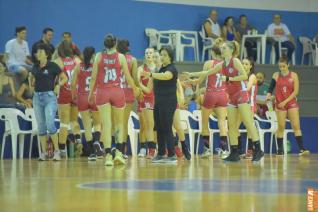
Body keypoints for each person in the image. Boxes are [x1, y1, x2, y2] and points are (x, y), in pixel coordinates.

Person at [197, 41, 264, 162]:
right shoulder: (222, 64)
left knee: (249, 123)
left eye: (224, 48)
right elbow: (207, 72)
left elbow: (244, 76)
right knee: (231, 126)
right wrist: (192, 75)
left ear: (230, 50)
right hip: (231, 97)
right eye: (221, 48)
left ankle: (258, 150)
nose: (221, 50)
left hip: (241, 94)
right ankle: (234, 152)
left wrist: (229, 78)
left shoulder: (236, 61)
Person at [88, 34, 139, 166]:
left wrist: (90, 93)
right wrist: (135, 88)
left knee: (106, 124)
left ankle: (109, 156)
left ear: (105, 45)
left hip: (102, 92)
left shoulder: (99, 56)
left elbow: (93, 78)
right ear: (115, 44)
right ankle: (119, 153)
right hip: (117, 91)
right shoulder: (121, 57)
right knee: (120, 124)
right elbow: (128, 77)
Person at [186, 38, 229, 159]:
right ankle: (224, 150)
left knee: (205, 123)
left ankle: (206, 149)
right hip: (222, 95)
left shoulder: (208, 63)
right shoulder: (226, 64)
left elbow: (200, 80)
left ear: (213, 53)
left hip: (210, 94)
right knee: (222, 122)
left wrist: (192, 80)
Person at [30, 43, 68, 161]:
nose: (38, 54)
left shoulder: (53, 66)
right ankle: (44, 153)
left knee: (50, 123)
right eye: (37, 52)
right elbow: (31, 78)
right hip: (37, 98)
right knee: (41, 126)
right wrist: (31, 84)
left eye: (40, 52)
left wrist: (58, 85)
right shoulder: (35, 67)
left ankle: (56, 151)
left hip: (49, 98)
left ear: (46, 54)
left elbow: (65, 78)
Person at [141, 46, 178, 164]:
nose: (162, 57)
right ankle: (161, 153)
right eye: (161, 55)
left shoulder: (172, 69)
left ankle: (172, 154)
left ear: (170, 56)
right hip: (159, 102)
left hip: (168, 102)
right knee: (159, 128)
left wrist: (151, 75)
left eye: (164, 55)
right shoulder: (160, 68)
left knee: (167, 127)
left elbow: (166, 76)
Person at [266, 57, 310, 156]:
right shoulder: (276, 75)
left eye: (283, 66)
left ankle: (302, 149)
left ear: (288, 65)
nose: (281, 68)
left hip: (291, 103)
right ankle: (280, 150)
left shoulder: (294, 75)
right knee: (281, 127)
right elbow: (270, 88)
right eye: (280, 66)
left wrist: (285, 101)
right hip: (279, 104)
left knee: (296, 126)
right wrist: (268, 96)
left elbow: (296, 91)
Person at [71, 46, 102, 160]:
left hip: (82, 97)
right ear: (93, 55)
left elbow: (73, 84)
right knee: (98, 123)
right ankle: (97, 142)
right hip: (94, 96)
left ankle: (91, 153)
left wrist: (74, 95)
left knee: (87, 125)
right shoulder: (96, 67)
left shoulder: (79, 67)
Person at [54, 40, 82, 158]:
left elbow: (54, 78)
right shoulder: (77, 60)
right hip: (76, 92)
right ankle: (79, 141)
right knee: (74, 121)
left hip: (64, 92)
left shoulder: (58, 61)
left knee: (64, 123)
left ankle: (62, 150)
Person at [117, 39, 140, 156]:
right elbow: (135, 78)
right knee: (124, 123)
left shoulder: (114, 58)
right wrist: (139, 88)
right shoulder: (133, 60)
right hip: (128, 93)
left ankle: (112, 149)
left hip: (115, 93)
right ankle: (122, 150)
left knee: (114, 123)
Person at [137, 48, 156, 158]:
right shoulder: (140, 69)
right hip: (144, 99)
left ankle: (154, 147)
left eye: (150, 53)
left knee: (155, 126)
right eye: (146, 53)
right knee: (144, 125)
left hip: (156, 98)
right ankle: (143, 147)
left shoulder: (157, 68)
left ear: (154, 55)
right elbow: (137, 82)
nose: (148, 54)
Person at [237, 58, 258, 158]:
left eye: (246, 64)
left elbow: (248, 88)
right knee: (233, 127)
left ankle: (250, 150)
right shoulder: (240, 76)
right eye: (243, 63)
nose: (244, 65)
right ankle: (239, 151)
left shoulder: (252, 76)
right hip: (240, 104)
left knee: (249, 128)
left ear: (250, 66)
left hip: (250, 105)